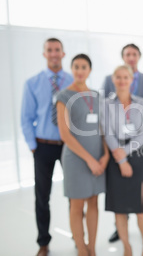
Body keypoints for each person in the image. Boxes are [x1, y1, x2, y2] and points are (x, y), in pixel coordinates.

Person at [21, 38, 73, 256]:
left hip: (69, 146)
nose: (53, 54)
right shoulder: (32, 83)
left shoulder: (72, 81)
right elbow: (26, 118)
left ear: (63, 53)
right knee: (42, 197)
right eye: (49, 50)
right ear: (44, 54)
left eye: (57, 50)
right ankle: (44, 242)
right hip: (43, 146)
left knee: (75, 195)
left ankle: (78, 236)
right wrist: (34, 147)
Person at [102, 43, 143, 243]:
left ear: (131, 80)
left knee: (141, 201)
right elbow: (106, 131)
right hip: (115, 155)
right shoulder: (107, 103)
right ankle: (122, 236)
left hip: (135, 154)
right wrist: (118, 154)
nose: (122, 80)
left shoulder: (141, 103)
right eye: (119, 77)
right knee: (118, 202)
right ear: (113, 80)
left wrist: (124, 152)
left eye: (126, 78)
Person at [56, 54, 109, 256]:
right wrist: (89, 160)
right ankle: (81, 249)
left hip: (98, 157)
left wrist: (105, 155)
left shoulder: (96, 95)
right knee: (77, 204)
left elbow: (102, 128)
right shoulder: (63, 96)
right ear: (72, 69)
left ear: (89, 70)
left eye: (84, 67)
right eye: (76, 66)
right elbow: (64, 134)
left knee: (94, 202)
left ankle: (92, 249)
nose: (80, 70)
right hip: (76, 159)